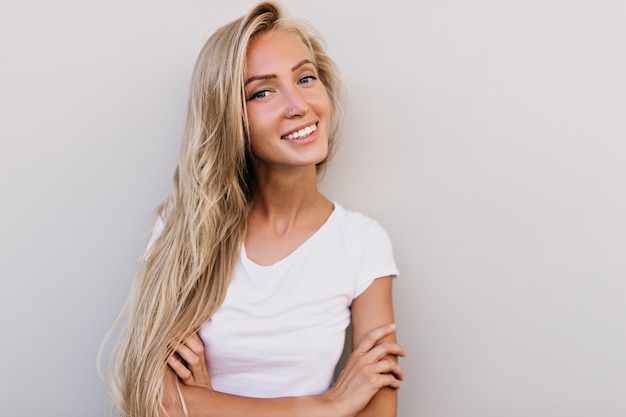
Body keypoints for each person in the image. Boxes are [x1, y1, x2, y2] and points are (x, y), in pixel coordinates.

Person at [106, 2, 405, 416]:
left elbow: (379, 409)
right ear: (230, 116)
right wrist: (327, 406)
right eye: (263, 91)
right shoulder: (181, 230)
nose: (298, 104)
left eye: (305, 78)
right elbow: (155, 400)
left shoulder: (362, 243)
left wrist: (208, 403)